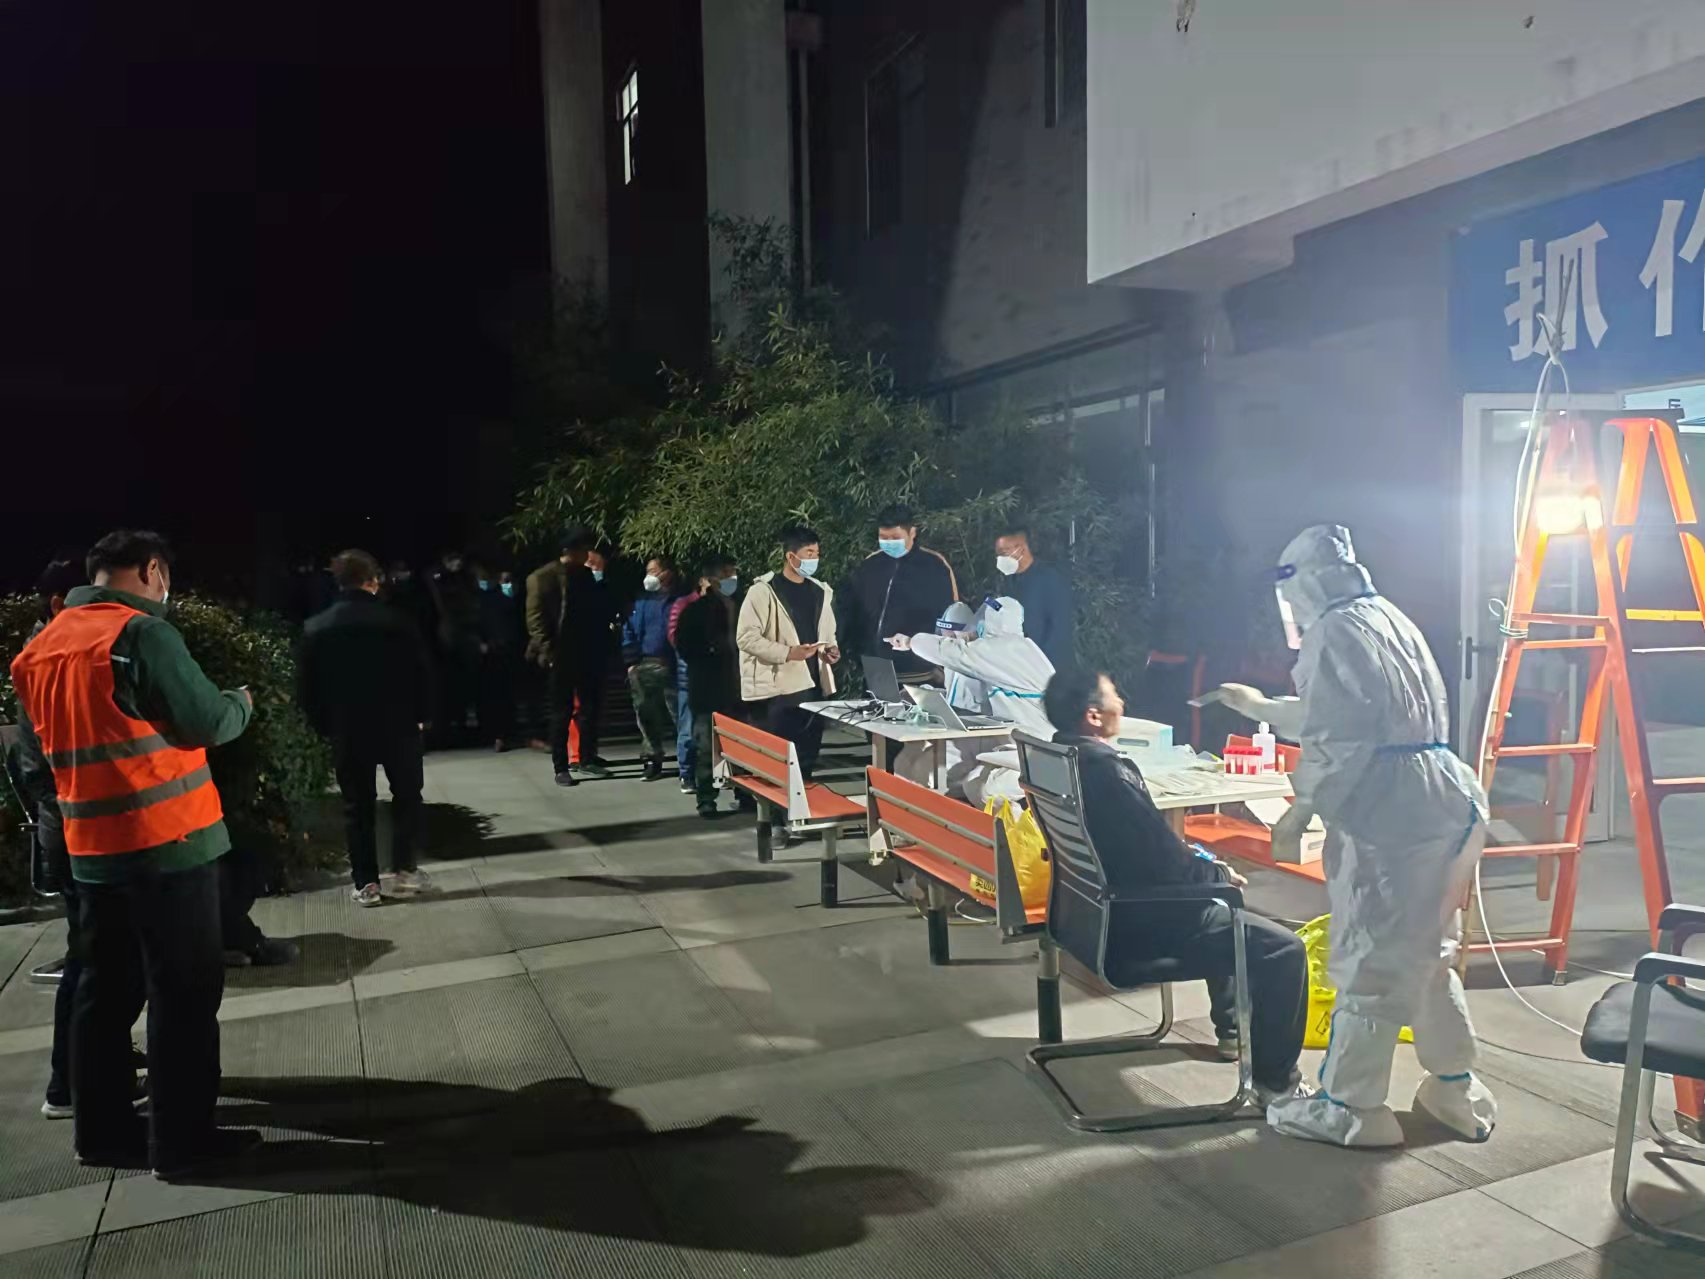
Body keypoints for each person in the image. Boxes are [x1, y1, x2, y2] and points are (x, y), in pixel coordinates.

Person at [1215, 525, 1496, 1148]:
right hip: (1445, 796)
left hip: (1390, 811)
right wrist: (1261, 707)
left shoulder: (1331, 631)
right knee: (1428, 953)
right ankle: (1453, 1086)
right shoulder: (1385, 618)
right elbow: (1355, 712)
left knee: (1371, 957)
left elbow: (1340, 735)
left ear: (1303, 584)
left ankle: (1352, 1106)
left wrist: (1301, 808)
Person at [10, 530, 257, 1176]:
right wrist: (240, 703)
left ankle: (101, 1134)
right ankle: (183, 1144)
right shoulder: (141, 635)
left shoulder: (40, 649)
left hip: (91, 850)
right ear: (152, 569)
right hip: (168, 843)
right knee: (184, 994)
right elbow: (206, 721)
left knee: (104, 993)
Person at [1045, 668, 1310, 1109]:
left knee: (1220, 899)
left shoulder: (1062, 758)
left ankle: (1232, 1031)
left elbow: (1152, 850)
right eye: (1114, 696)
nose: (1121, 703)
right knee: (1283, 949)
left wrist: (1207, 871)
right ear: (1093, 716)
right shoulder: (1107, 772)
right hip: (1138, 929)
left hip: (1086, 918)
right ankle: (1277, 1086)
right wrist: (1216, 874)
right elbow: (1166, 862)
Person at [10, 558, 149, 1121]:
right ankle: (72, 1083)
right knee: (95, 963)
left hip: (74, 828)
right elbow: (47, 765)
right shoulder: (51, 658)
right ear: (56, 605)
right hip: (79, 832)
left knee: (96, 958)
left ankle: (88, 1070)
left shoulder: (48, 653)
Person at [300, 549, 436, 907]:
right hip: (399, 723)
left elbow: (309, 689)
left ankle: (366, 882)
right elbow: (421, 673)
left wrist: (324, 725)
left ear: (339, 582)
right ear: (373, 580)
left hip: (348, 728)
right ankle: (405, 868)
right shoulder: (398, 622)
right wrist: (423, 714)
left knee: (357, 806)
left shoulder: (317, 627)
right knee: (407, 796)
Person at [887, 596, 1053, 805]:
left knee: (986, 792)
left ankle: (1017, 828)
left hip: (1037, 750)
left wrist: (911, 642)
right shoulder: (1018, 648)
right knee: (970, 784)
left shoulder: (1002, 649)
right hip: (1017, 742)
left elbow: (949, 651)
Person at [738, 525, 841, 780]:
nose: (814, 559)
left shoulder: (820, 591)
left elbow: (828, 633)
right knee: (776, 762)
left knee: (806, 759)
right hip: (778, 691)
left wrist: (830, 650)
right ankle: (770, 805)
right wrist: (788, 653)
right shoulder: (763, 591)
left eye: (817, 553)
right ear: (791, 556)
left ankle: (803, 799)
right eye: (808, 553)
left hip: (814, 686)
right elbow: (746, 638)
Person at [527, 530, 617, 784]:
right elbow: (535, 620)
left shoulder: (585, 575)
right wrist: (550, 652)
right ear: (569, 551)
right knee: (561, 712)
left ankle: (587, 758)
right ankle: (560, 766)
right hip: (561, 654)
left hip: (587, 652)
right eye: (582, 550)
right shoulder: (542, 578)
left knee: (589, 707)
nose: (586, 554)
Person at [840, 504, 959, 684]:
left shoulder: (933, 566)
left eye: (895, 538)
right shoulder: (870, 565)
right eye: (883, 537)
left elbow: (949, 616)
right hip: (875, 669)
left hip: (919, 669)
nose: (889, 542)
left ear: (912, 533)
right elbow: (852, 609)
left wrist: (941, 660)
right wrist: (849, 649)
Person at [674, 555, 747, 817]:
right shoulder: (696, 611)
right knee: (706, 746)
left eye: (733, 572)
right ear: (712, 579)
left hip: (741, 688)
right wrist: (710, 653)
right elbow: (684, 645)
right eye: (726, 573)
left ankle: (745, 794)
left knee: (742, 746)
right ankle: (706, 798)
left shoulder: (744, 606)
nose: (732, 578)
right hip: (708, 688)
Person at [621, 557, 688, 781]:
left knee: (680, 715)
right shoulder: (641, 602)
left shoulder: (681, 600)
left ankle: (688, 763)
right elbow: (629, 630)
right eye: (648, 571)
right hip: (645, 664)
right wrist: (631, 661)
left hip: (673, 666)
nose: (650, 576)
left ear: (668, 573)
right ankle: (652, 759)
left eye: (655, 571)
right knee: (646, 714)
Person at [994, 525, 1075, 672]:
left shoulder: (1049, 579)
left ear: (1021, 549)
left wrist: (1043, 666)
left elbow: (1060, 628)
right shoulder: (1009, 582)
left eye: (1003, 553)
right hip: (1019, 665)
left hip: (1047, 667)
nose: (999, 559)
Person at [428, 551, 482, 746]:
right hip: (448, 635)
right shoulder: (439, 579)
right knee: (449, 682)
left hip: (462, 634)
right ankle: (449, 724)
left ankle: (461, 721)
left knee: (464, 681)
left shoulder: (464, 578)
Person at [476, 565, 525, 751]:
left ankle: (510, 732)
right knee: (497, 695)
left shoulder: (519, 600)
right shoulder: (491, 601)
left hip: (514, 652)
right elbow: (484, 624)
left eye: (511, 581)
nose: (508, 585)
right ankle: (498, 734)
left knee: (513, 694)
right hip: (496, 652)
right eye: (505, 581)